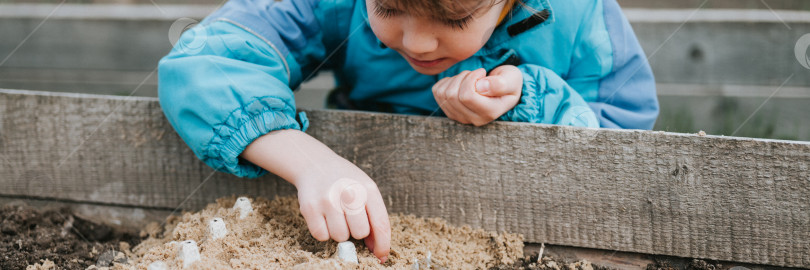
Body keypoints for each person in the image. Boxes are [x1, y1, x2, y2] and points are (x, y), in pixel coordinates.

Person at [158, 0, 659, 264]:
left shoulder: (578, 15)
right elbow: (204, 62)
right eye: (389, 8)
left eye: (454, 16)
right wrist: (311, 162)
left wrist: (534, 98)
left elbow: (624, 133)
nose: (416, 41)